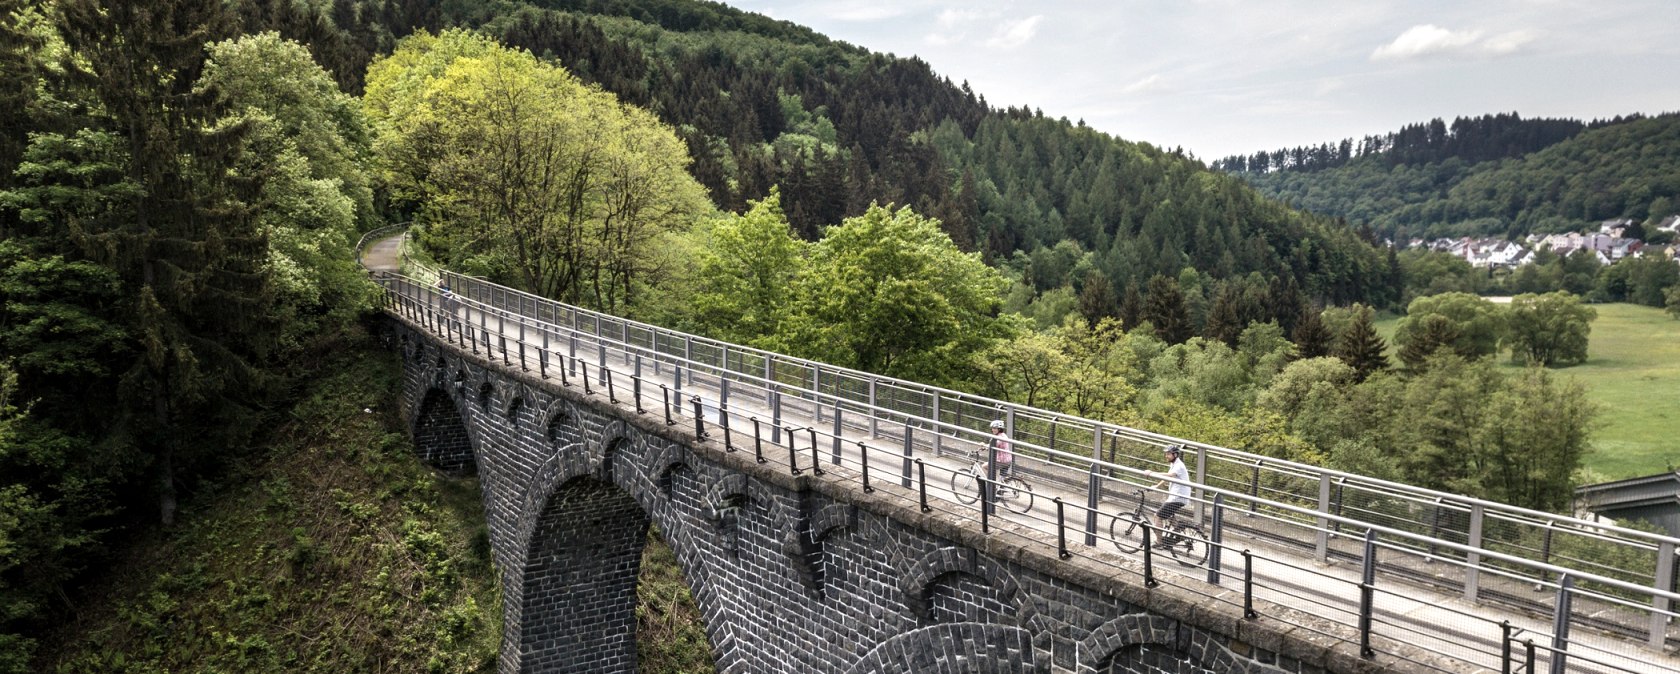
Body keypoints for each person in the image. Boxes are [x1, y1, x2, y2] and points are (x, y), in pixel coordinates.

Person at [1149, 444, 1190, 534]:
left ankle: (1159, 543)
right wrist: (1157, 486)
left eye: (1168, 454)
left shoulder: (1179, 466)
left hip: (1177, 498)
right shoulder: (1174, 464)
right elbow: (1168, 478)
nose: (1166, 456)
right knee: (1169, 516)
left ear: (1175, 455)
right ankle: (1179, 534)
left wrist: (1152, 473)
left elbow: (1170, 475)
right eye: (1166, 454)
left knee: (1158, 516)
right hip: (1178, 497)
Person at [989, 419, 1014, 494]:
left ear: (999, 429)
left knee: (985, 466)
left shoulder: (1000, 437)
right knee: (1001, 477)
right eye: (992, 428)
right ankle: (999, 486)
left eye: (994, 428)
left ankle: (992, 483)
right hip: (1007, 460)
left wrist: (984, 446)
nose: (992, 429)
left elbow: (993, 445)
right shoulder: (1002, 435)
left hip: (1002, 461)